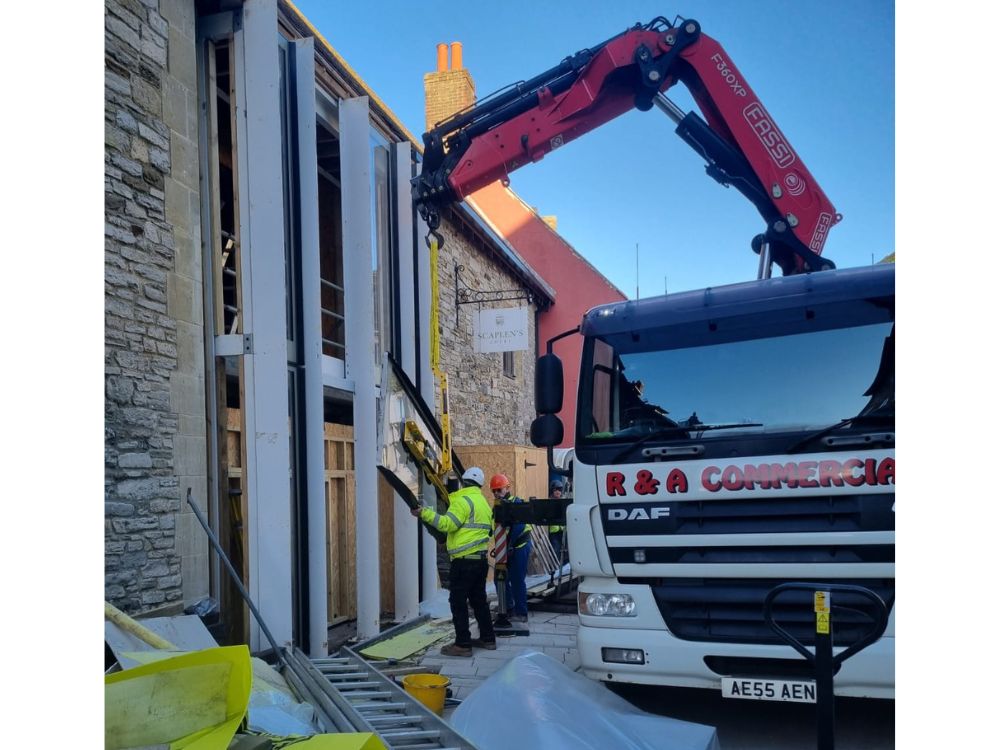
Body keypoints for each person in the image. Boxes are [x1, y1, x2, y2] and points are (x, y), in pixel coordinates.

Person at [412, 466, 496, 656]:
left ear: (463, 481)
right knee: (479, 600)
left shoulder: (461, 500)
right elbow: (487, 530)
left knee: (457, 601)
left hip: (463, 561)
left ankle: (463, 644)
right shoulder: (482, 502)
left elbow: (447, 524)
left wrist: (423, 513)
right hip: (480, 560)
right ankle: (488, 638)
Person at [489, 473, 532, 623]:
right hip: (506, 549)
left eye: (498, 490)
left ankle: (521, 613)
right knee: (499, 579)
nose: (496, 493)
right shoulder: (497, 507)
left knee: (517, 579)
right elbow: (493, 529)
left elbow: (518, 528)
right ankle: (507, 609)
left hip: (519, 546)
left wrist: (509, 548)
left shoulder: (516, 503)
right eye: (493, 491)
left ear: (507, 489)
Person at [548, 480, 566, 568]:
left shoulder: (563, 502)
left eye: (560, 489)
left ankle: (563, 567)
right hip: (553, 533)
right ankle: (555, 568)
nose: (558, 492)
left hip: (563, 532)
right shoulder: (548, 502)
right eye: (556, 489)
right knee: (555, 551)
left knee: (564, 551)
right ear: (552, 490)